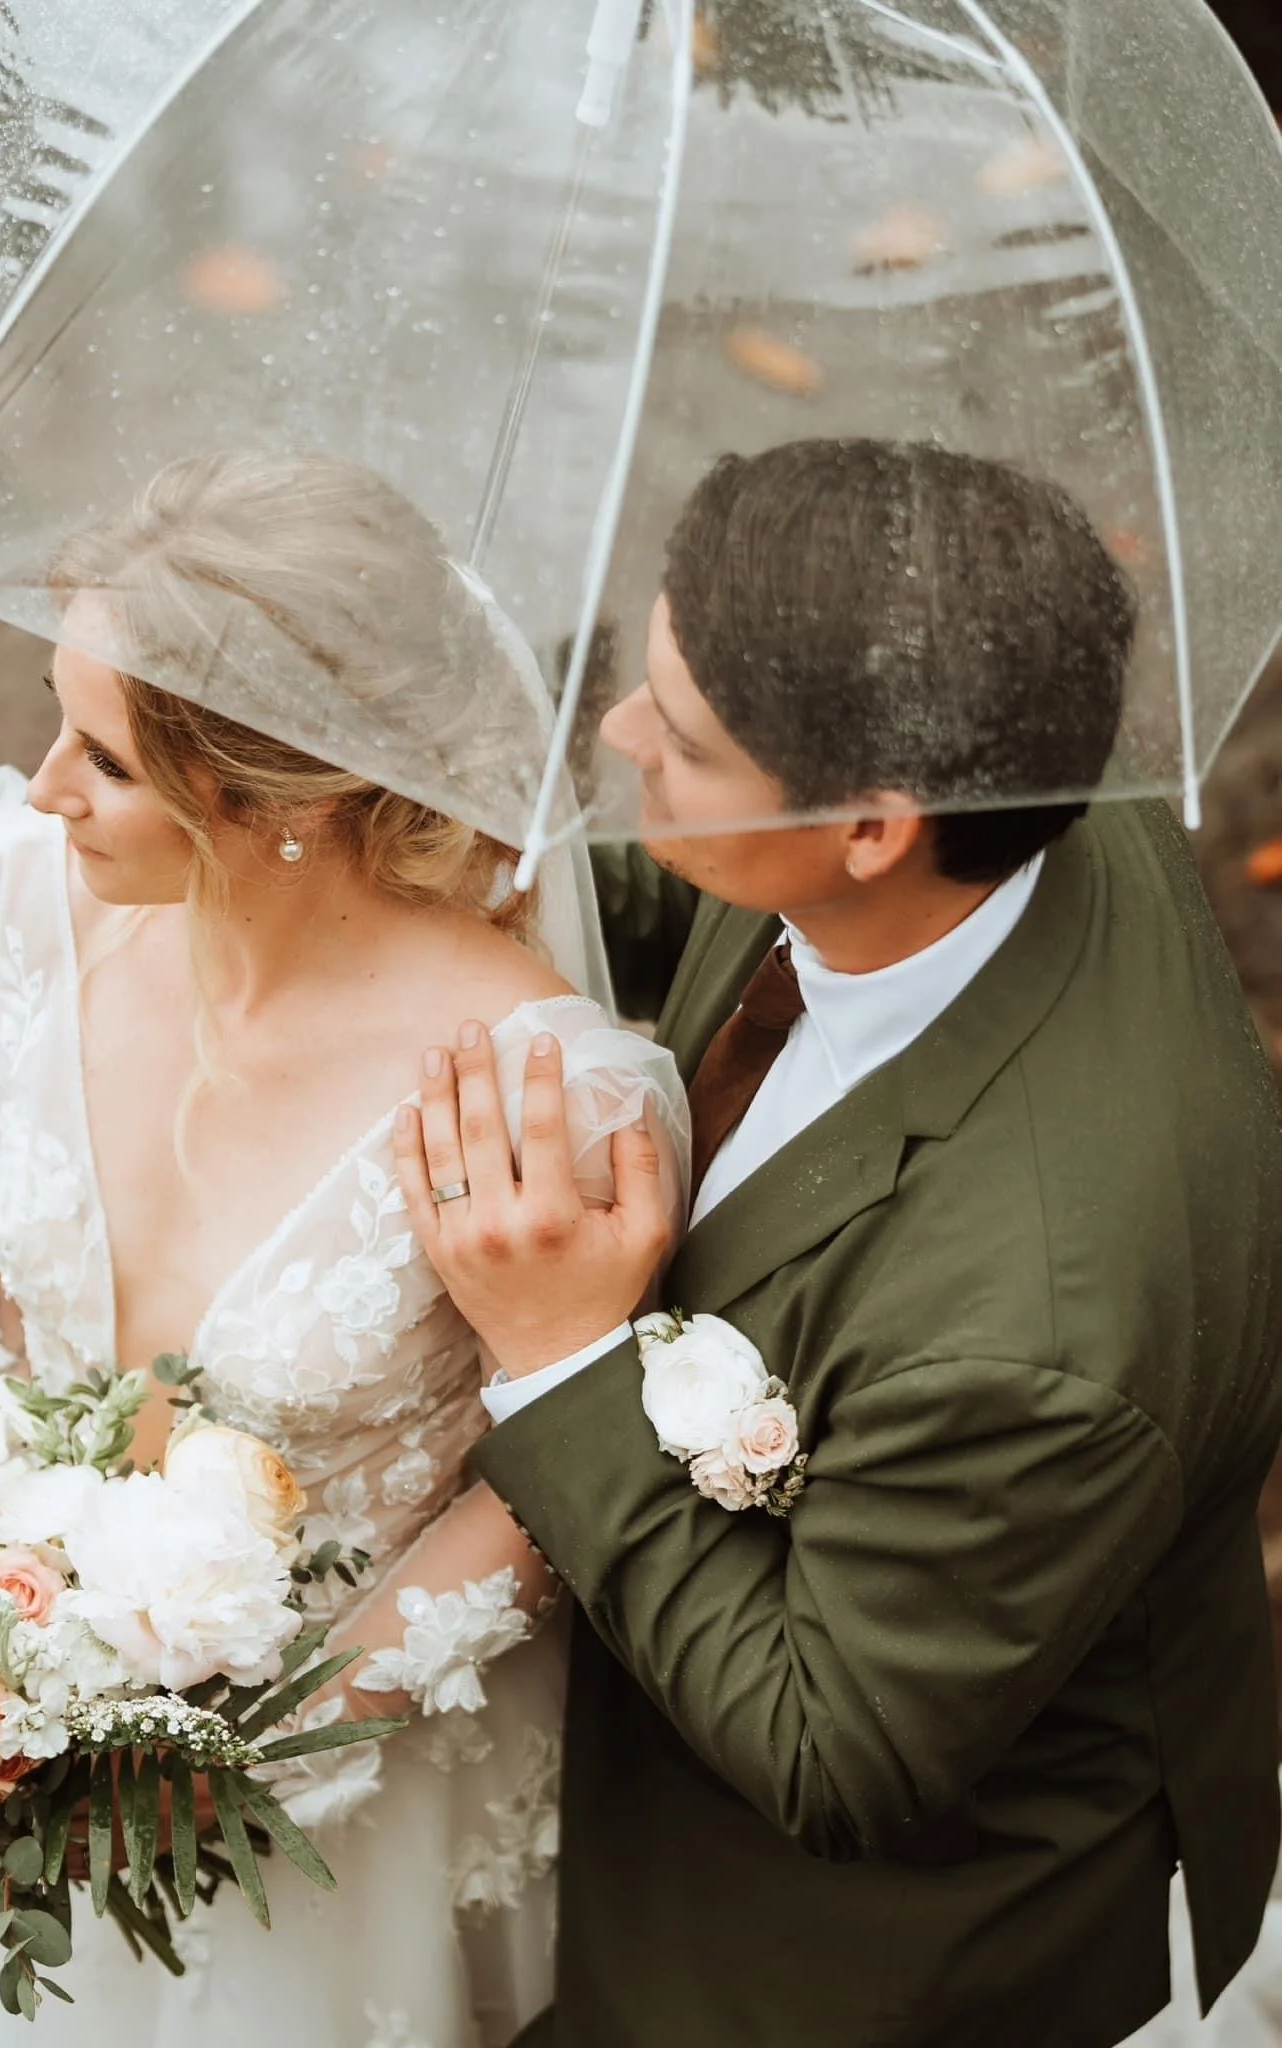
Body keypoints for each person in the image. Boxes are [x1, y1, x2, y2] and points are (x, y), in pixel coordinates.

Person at [0, 450, 688, 2048]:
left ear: (280, 806)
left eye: (105, 759)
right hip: (3, 1712)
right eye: (50, 713)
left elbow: (536, 1482)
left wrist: (238, 1750)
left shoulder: (541, 1092)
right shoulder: (7, 899)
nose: (43, 785)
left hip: (331, 1804)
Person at [394, 439, 1282, 2047]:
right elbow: (724, 929)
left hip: (864, 1961)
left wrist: (566, 1363)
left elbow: (833, 1747)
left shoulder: (1037, 1321)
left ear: (869, 827)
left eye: (679, 735)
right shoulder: (991, 771)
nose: (616, 734)